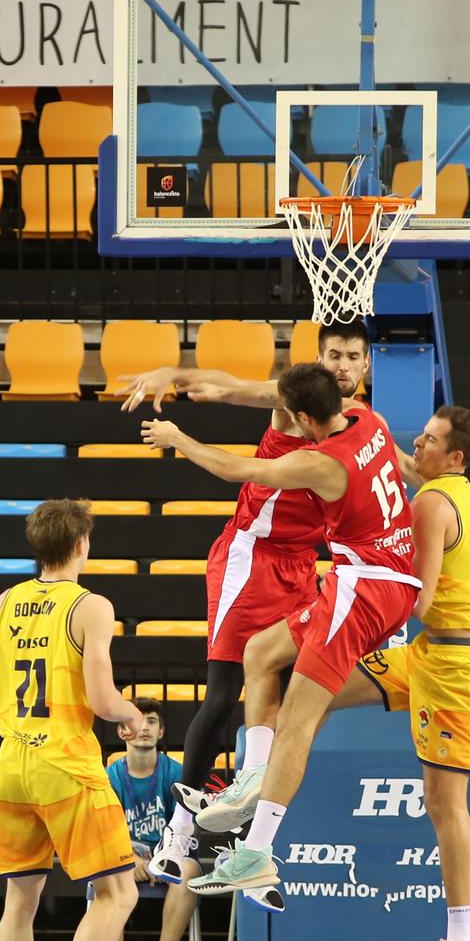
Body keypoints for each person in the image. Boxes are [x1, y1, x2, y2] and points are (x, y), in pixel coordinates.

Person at [140, 364, 421, 908]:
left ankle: (255, 849)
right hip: (278, 563)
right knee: (257, 659)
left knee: (297, 713)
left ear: (300, 414)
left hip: (359, 584)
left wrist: (176, 438)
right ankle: (223, 810)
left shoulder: (319, 462)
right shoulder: (368, 418)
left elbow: (231, 467)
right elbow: (409, 469)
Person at [118, 321, 373, 881]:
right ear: (319, 357)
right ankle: (175, 831)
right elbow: (230, 386)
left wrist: (456, 499)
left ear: (367, 365)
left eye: (353, 356)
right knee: (224, 691)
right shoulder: (293, 403)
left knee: (282, 696)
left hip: (302, 566)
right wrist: (175, 373)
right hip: (250, 557)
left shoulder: (361, 427)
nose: (342, 366)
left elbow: (402, 470)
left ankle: (236, 823)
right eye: (334, 354)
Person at [311, 405, 470, 941]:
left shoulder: (432, 502)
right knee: (313, 688)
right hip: (432, 654)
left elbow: (414, 602)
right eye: (419, 433)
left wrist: (351, 576)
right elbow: (404, 471)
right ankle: (251, 802)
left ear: (455, 458)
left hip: (454, 665)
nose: (415, 443)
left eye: (429, 440)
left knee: (444, 803)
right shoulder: (457, 494)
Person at [0, 499, 145, 941]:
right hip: (67, 766)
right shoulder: (91, 605)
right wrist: (131, 715)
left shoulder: (7, 599)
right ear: (82, 544)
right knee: (119, 893)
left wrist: (18, 726)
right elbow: (100, 699)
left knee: (21, 899)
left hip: (14, 765)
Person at [96, 697, 201, 941]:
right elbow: (103, 832)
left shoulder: (177, 774)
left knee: (189, 871)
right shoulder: (108, 778)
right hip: (125, 857)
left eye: (151, 722)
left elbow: (189, 830)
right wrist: (130, 859)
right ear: (122, 732)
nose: (144, 728)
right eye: (136, 722)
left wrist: (163, 859)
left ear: (161, 731)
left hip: (169, 855)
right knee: (105, 868)